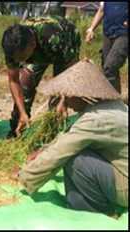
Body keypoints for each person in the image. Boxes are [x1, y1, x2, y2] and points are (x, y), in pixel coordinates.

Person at [13, 61, 127, 219]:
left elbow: (62, 150)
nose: (66, 102)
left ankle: (98, 213)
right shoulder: (112, 106)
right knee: (77, 148)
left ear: (82, 95)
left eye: (68, 96)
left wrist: (24, 175)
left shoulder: (95, 120)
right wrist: (43, 149)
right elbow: (71, 134)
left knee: (76, 158)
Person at [1, 15, 80, 138]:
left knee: (57, 96)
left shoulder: (55, 40)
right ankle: (16, 130)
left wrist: (64, 100)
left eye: (21, 58)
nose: (18, 61)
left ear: (33, 44)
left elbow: (73, 70)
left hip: (64, 41)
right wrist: (22, 112)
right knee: (25, 83)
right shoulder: (13, 46)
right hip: (39, 48)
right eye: (15, 59)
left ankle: (51, 135)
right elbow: (14, 81)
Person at [86, 2, 128, 94]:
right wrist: (91, 29)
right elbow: (101, 10)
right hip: (108, 34)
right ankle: (116, 98)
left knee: (110, 66)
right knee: (106, 67)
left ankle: (110, 100)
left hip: (124, 34)